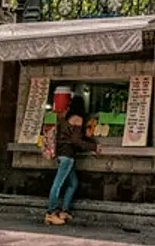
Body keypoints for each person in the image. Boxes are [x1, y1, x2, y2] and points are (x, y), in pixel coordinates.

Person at [45, 96, 99, 226]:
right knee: (57, 184)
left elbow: (72, 137)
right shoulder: (78, 119)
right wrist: (94, 146)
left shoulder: (65, 118)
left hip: (62, 155)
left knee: (73, 183)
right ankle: (50, 213)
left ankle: (64, 210)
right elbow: (76, 141)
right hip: (67, 157)